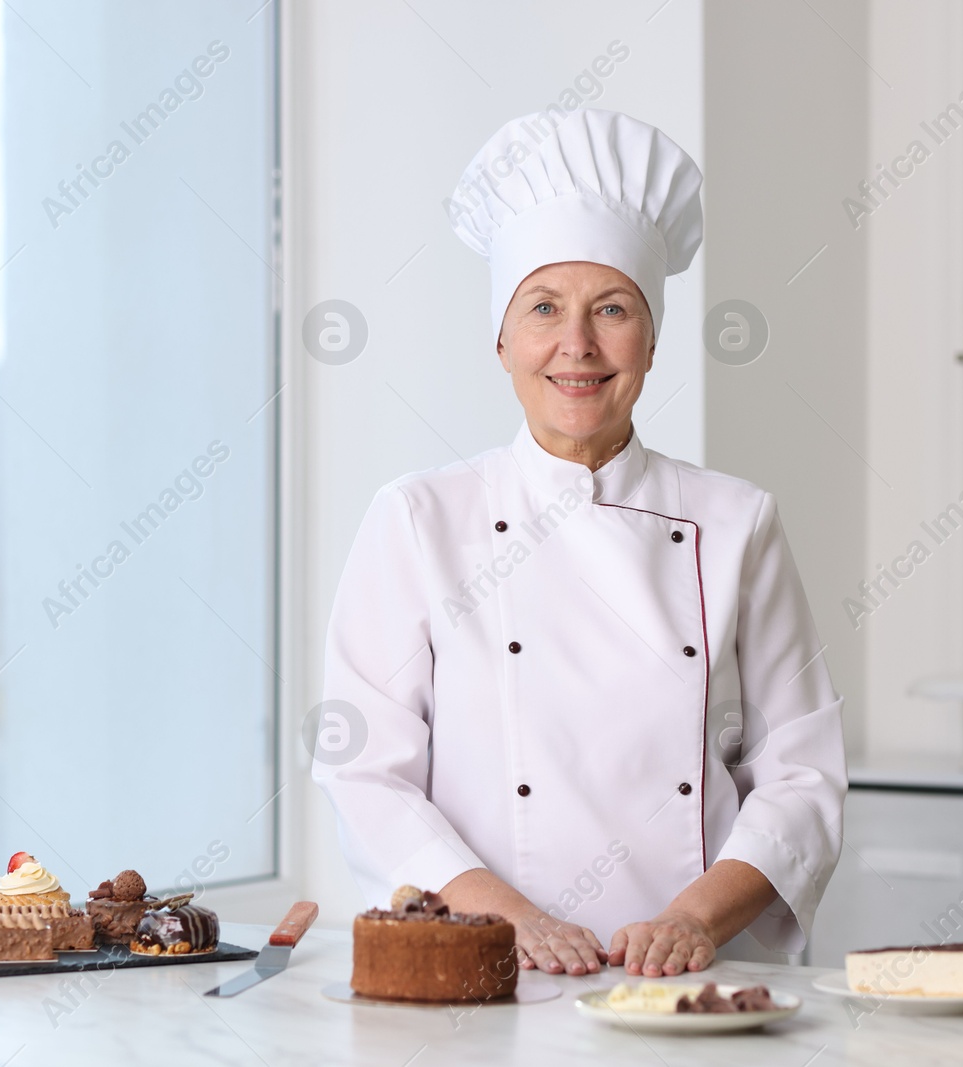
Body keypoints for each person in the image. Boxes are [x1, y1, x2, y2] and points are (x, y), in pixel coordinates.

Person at [312, 108, 845, 979]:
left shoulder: (738, 521)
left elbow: (802, 774)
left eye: (612, 308)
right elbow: (363, 771)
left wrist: (692, 920)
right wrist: (514, 917)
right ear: (502, 339)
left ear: (652, 336)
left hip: (687, 982)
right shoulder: (419, 518)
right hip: (484, 973)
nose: (578, 345)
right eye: (544, 308)